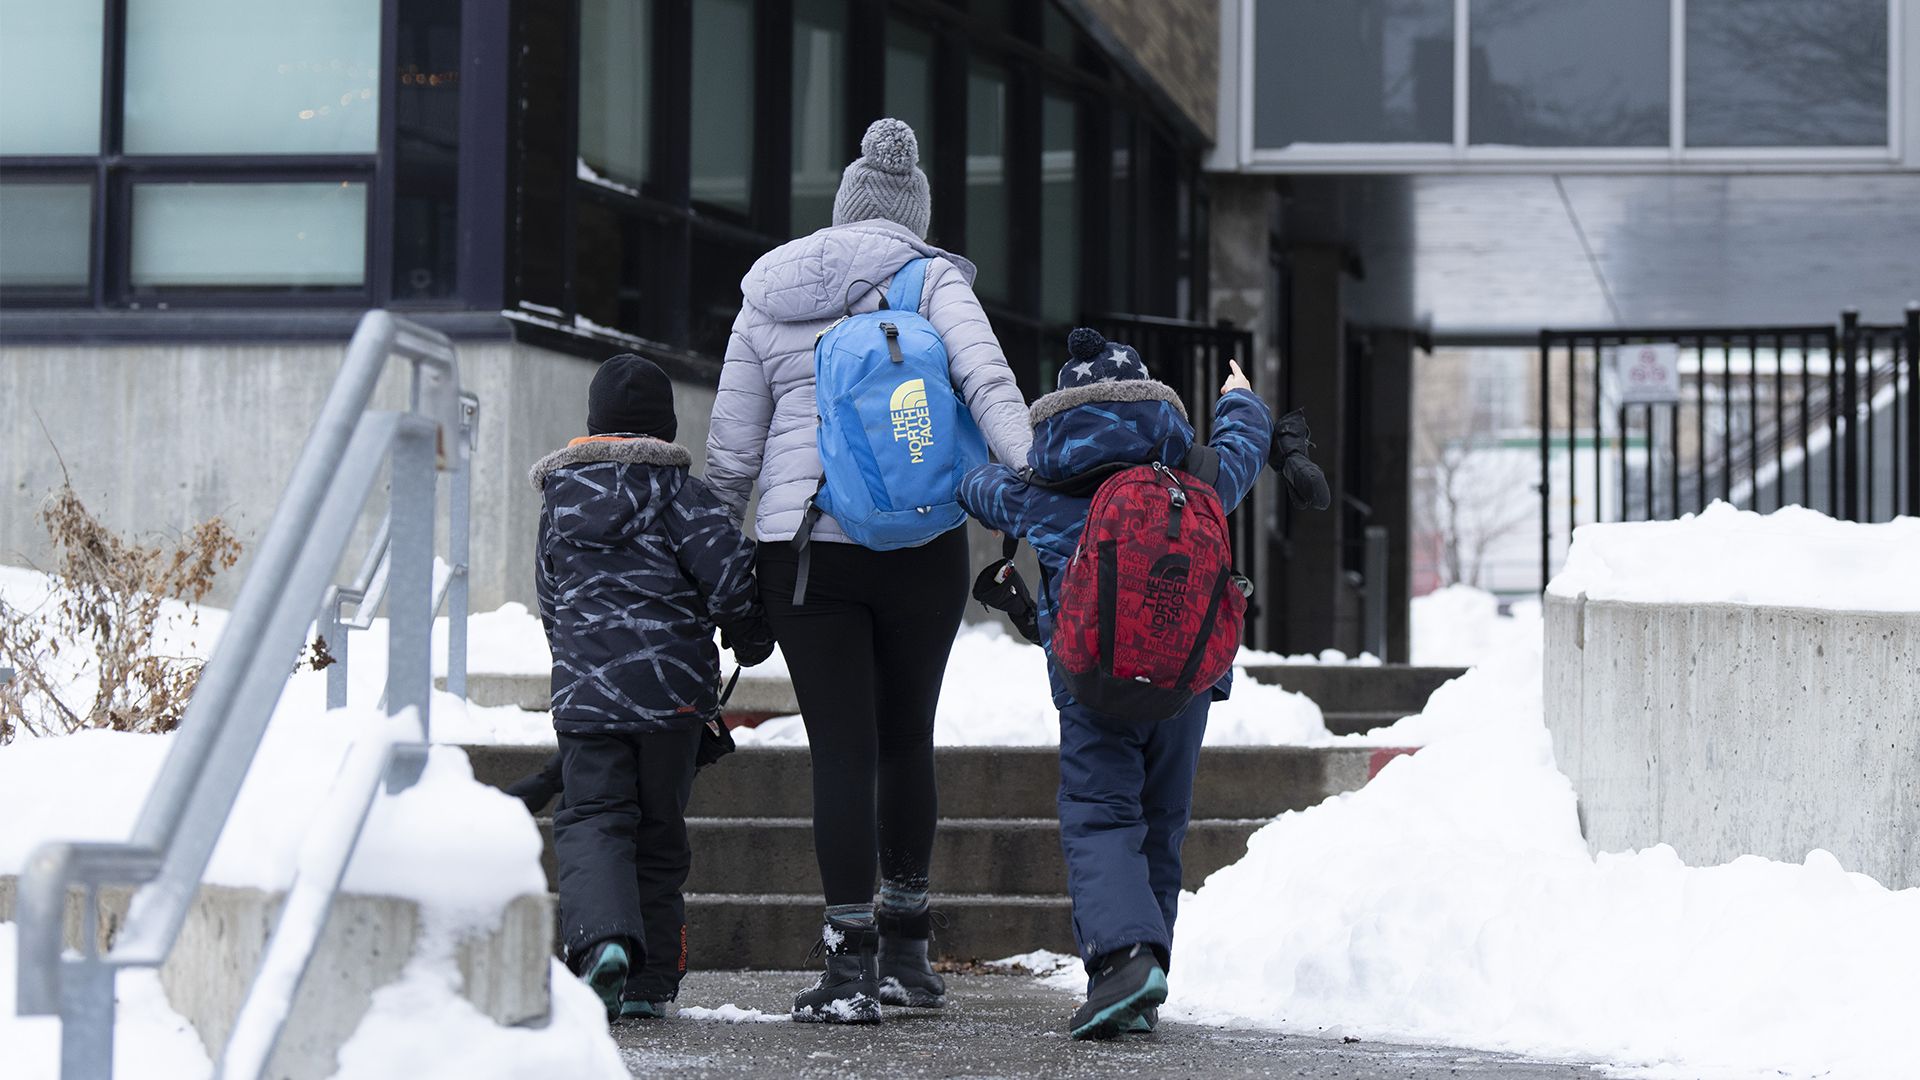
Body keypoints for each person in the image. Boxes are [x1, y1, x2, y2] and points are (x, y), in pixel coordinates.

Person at [705, 117, 1032, 1023]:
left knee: (840, 749)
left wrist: (721, 561)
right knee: (903, 741)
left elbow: (732, 454)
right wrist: (1035, 487)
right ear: (912, 218)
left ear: (842, 211)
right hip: (921, 539)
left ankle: (846, 967)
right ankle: (909, 954)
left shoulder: (768, 290)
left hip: (805, 548)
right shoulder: (931, 280)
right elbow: (989, 385)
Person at [958, 328, 1273, 1040]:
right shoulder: (1199, 478)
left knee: (1102, 815)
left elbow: (974, 486)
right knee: (1161, 827)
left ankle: (1124, 961)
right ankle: (1142, 982)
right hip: (1185, 685)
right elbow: (1245, 451)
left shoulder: (1044, 493)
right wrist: (1241, 399)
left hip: (1093, 680)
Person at [532, 353, 776, 1022]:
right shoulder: (680, 494)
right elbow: (729, 572)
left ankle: (605, 942)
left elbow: (552, 597)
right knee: (660, 831)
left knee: (592, 820)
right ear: (664, 428)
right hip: (672, 698)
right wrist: (750, 634)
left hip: (587, 695)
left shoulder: (560, 499)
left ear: (593, 424)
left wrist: (579, 662)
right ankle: (651, 982)